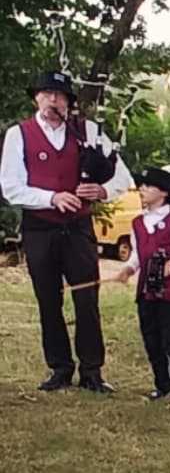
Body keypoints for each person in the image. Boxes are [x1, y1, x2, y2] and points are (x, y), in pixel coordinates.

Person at [1, 69, 132, 392]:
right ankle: (59, 368)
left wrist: (102, 192)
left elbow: (122, 176)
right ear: (36, 98)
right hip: (40, 227)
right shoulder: (19, 134)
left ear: (69, 102)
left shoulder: (87, 131)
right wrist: (51, 197)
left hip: (77, 227)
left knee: (87, 297)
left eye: (58, 95)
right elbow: (11, 187)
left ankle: (92, 371)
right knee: (48, 299)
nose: (52, 101)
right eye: (46, 94)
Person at [116, 167, 170, 405]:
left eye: (148, 187)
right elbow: (139, 253)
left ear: (163, 193)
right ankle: (162, 384)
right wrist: (129, 268)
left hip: (169, 292)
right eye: (142, 186)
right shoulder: (138, 223)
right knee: (151, 338)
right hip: (146, 290)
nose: (142, 190)